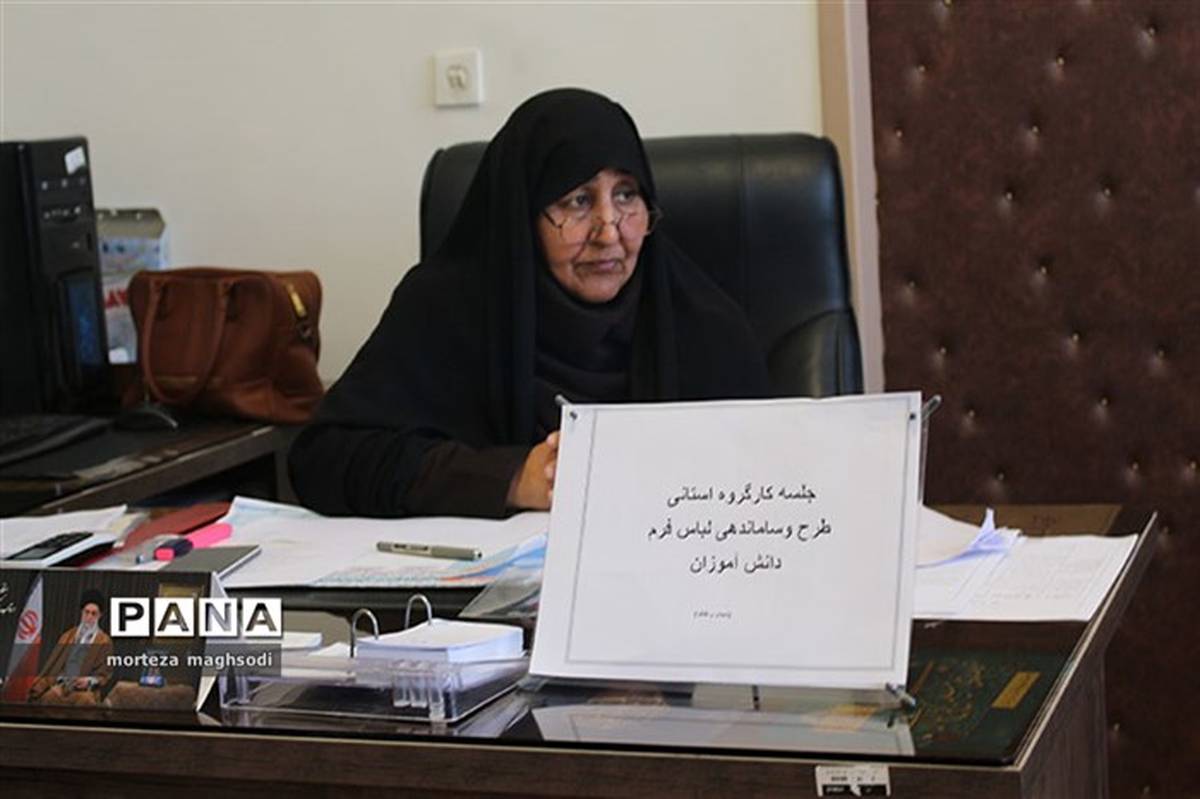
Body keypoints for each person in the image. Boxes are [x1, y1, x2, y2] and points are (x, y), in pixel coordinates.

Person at [289, 88, 769, 518]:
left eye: (627, 195)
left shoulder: (704, 326)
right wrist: (514, 477)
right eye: (577, 201)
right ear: (522, 217)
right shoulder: (445, 309)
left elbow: (769, 478)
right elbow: (324, 459)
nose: (609, 232)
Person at [28, 589, 113, 705]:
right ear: (82, 612)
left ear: (100, 616)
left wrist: (88, 681)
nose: (89, 617)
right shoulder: (68, 636)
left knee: (86, 701)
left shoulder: (104, 641)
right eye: (87, 612)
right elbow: (54, 665)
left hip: (85, 690)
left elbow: (104, 674)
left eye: (94, 614)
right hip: (62, 685)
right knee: (49, 697)